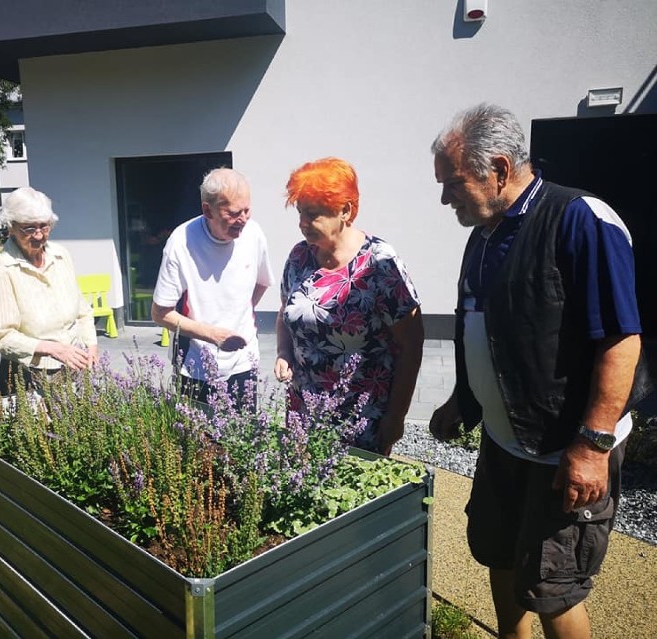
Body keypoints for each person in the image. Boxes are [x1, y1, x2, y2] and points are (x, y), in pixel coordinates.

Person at [428, 103, 651, 639]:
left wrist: (592, 445)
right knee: (498, 553)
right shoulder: (484, 233)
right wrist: (465, 398)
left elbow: (622, 341)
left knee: (553, 586)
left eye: (453, 183)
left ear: (500, 169)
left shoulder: (580, 220)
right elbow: (480, 327)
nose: (444, 198)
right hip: (506, 443)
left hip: (563, 449)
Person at [274, 157, 424, 455]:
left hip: (361, 419)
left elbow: (412, 343)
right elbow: (284, 312)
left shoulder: (379, 263)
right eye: (301, 213)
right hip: (304, 413)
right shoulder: (299, 257)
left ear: (346, 211)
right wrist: (283, 352)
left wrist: (397, 416)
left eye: (313, 215)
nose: (303, 224)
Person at [151, 167, 274, 406]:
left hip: (244, 360)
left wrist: (235, 313)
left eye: (247, 210)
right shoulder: (181, 242)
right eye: (234, 213)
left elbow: (262, 283)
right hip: (195, 365)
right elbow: (160, 313)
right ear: (207, 210)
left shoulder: (254, 234)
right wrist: (213, 335)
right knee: (200, 440)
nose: (244, 219)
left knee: (243, 439)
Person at [0, 187, 98, 395]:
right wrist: (54, 349)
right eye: (29, 229)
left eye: (44, 227)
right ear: (11, 227)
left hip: (72, 370)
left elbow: (82, 310)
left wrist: (91, 346)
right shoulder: (2, 269)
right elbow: (4, 337)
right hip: (26, 377)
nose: (38, 235)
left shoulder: (61, 256)